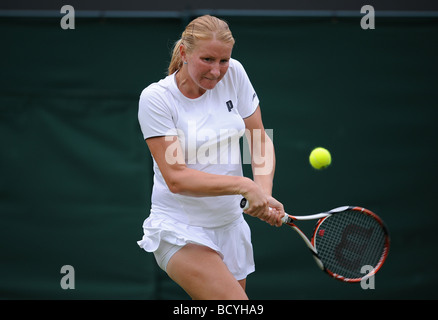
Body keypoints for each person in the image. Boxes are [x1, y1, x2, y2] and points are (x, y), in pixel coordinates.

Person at [137, 15, 284, 300]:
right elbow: (177, 178)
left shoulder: (236, 74)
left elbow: (258, 138)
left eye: (223, 61)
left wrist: (263, 194)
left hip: (230, 227)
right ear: (184, 53)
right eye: (207, 60)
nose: (217, 72)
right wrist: (245, 186)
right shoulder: (156, 99)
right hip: (180, 229)